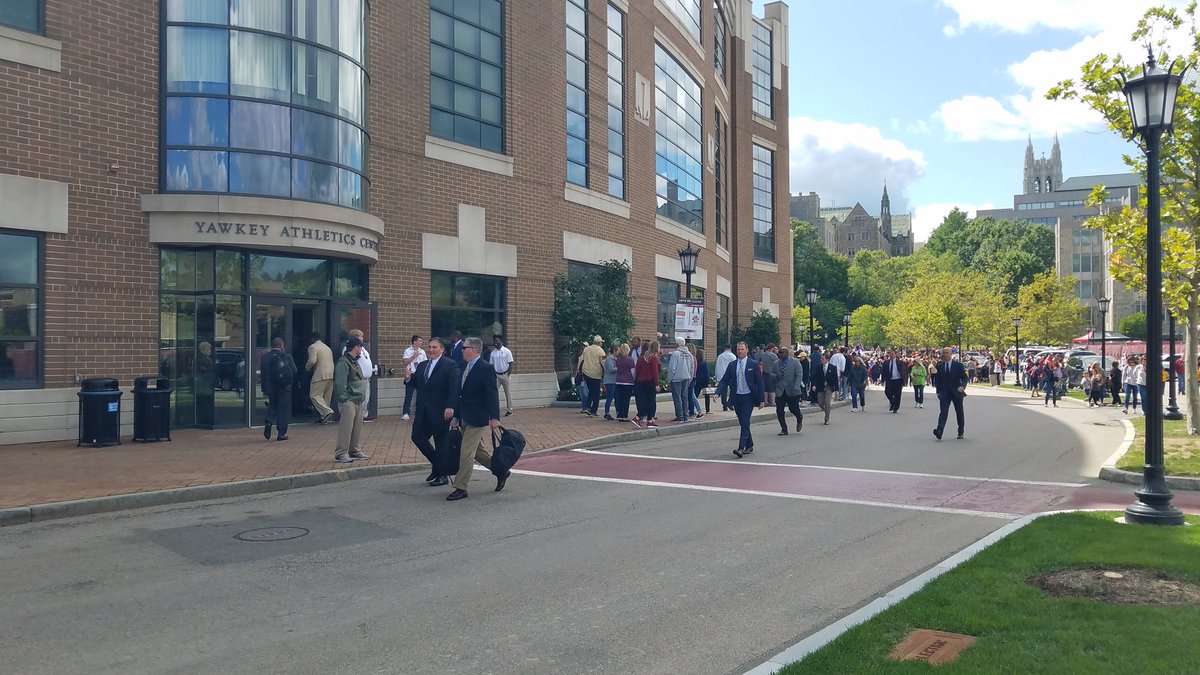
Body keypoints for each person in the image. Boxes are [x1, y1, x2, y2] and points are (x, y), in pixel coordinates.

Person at [446, 337, 504, 501]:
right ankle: (501, 471)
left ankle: (460, 487)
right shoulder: (464, 366)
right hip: (464, 415)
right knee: (478, 452)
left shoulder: (486, 368)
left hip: (478, 417)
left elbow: (492, 394)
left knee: (466, 452)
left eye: (464, 348)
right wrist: (456, 416)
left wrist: (494, 417)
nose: (462, 350)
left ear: (474, 350)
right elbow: (460, 394)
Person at [405, 337, 459, 486]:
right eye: (429, 347)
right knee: (417, 438)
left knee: (441, 443)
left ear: (442, 349)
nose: (431, 350)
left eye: (435, 347)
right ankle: (438, 466)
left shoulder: (450, 365)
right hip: (423, 411)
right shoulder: (422, 365)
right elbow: (416, 383)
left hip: (441, 412)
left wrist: (451, 407)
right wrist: (409, 378)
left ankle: (442, 475)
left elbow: (454, 388)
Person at [716, 341, 764, 457]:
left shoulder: (753, 364)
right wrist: (717, 393)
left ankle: (741, 448)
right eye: (738, 349)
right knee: (743, 422)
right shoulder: (732, 365)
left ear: (747, 350)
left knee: (745, 421)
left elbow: (760, 383)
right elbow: (725, 380)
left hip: (749, 397)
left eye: (742, 349)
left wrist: (761, 400)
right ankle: (749, 444)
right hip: (736, 397)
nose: (740, 351)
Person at [332, 337, 370, 463]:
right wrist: (345, 399)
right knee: (346, 427)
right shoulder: (343, 362)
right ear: (356, 348)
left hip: (357, 399)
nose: (361, 349)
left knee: (357, 427)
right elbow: (340, 383)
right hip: (349, 400)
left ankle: (354, 449)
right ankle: (341, 452)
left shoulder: (353, 361)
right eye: (360, 347)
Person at [260, 337, 296, 441]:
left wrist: (264, 389)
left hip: (271, 387)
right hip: (284, 387)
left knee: (273, 405)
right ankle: (281, 433)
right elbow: (294, 370)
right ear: (281, 346)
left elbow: (263, 375)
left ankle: (268, 421)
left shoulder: (265, 357)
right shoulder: (286, 356)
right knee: (282, 409)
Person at [931, 347, 968, 441]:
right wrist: (938, 392)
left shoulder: (958, 365)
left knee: (959, 412)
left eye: (947, 353)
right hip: (944, 393)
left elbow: (964, 377)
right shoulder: (940, 366)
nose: (945, 354)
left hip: (956, 392)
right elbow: (938, 380)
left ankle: (961, 431)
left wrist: (962, 386)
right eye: (944, 353)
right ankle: (939, 431)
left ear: (951, 354)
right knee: (943, 411)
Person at [305, 332, 335, 424]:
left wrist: (307, 368)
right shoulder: (327, 348)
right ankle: (324, 417)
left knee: (314, 395)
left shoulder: (313, 347)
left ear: (312, 339)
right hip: (330, 374)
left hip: (320, 374)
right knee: (326, 396)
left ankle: (327, 411)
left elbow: (312, 360)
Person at [775, 347, 805, 434]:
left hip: (792, 390)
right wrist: (776, 376)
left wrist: (796, 387)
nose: (779, 354)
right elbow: (771, 375)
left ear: (786, 354)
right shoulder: (776, 363)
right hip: (780, 390)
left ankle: (799, 417)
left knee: (793, 409)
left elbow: (799, 375)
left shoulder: (795, 362)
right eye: (779, 353)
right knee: (779, 410)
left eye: (781, 353)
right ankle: (784, 429)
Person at [346, 329, 374, 421]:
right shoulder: (351, 349)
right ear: (356, 337)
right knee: (360, 399)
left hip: (366, 379)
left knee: (365, 399)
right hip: (358, 379)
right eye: (361, 337)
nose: (363, 338)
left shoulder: (363, 349)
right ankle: (358, 417)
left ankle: (363, 416)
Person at [632, 340, 661, 428]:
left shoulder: (642, 357)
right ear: (656, 348)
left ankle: (649, 420)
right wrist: (656, 384)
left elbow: (637, 369)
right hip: (650, 381)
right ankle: (641, 418)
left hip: (641, 381)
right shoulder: (654, 358)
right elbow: (655, 371)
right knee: (651, 401)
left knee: (645, 401)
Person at [401, 335, 428, 421]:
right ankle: (405, 413)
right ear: (414, 342)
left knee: (421, 394)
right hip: (411, 374)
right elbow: (405, 362)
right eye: (419, 341)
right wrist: (414, 356)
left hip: (420, 374)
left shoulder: (422, 352)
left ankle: (419, 412)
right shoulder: (408, 351)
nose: (421, 342)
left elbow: (425, 363)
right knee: (409, 394)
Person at [667, 337, 694, 422]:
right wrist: (690, 378)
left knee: (677, 398)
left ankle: (680, 416)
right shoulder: (689, 354)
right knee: (684, 398)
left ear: (677, 344)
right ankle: (685, 416)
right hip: (686, 378)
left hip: (676, 379)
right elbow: (692, 368)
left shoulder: (676, 354)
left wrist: (669, 379)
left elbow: (672, 368)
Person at [490, 334, 515, 417]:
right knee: (493, 393)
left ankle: (510, 410)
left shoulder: (507, 351)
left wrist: (508, 374)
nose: (495, 343)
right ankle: (494, 410)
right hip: (497, 375)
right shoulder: (493, 353)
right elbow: (491, 365)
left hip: (505, 374)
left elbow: (511, 363)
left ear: (501, 341)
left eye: (496, 341)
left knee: (507, 393)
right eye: (494, 341)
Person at [581, 335, 606, 417]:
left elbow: (583, 359)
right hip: (596, 374)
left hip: (586, 372)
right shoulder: (600, 351)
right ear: (599, 343)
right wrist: (604, 372)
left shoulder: (586, 349)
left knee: (591, 390)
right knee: (596, 393)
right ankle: (593, 410)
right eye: (601, 342)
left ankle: (588, 407)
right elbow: (602, 363)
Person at [810, 353, 839, 425]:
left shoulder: (833, 368)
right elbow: (814, 377)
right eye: (821, 358)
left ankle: (827, 419)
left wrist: (836, 390)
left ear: (827, 359)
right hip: (820, 386)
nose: (821, 360)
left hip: (829, 387)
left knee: (827, 402)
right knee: (820, 403)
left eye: (823, 359)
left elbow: (835, 379)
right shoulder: (818, 367)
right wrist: (813, 385)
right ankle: (827, 410)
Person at [614, 343, 636, 422]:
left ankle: (619, 414)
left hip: (619, 381)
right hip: (628, 382)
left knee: (619, 398)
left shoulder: (618, 360)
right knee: (626, 399)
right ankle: (624, 415)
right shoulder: (630, 360)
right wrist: (634, 379)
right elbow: (633, 372)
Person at [881, 349, 908, 413]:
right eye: (890, 354)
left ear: (896, 355)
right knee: (887, 392)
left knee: (897, 394)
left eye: (892, 354)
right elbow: (883, 372)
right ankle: (893, 402)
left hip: (898, 380)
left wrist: (905, 381)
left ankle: (896, 408)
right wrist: (882, 380)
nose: (891, 355)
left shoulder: (900, 362)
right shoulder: (886, 362)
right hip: (889, 380)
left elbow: (904, 372)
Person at [714, 344, 736, 411]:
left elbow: (717, 367)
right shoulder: (733, 356)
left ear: (724, 348)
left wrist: (716, 377)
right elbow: (735, 366)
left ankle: (724, 405)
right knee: (733, 390)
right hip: (731, 376)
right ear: (730, 348)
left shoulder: (720, 356)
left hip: (722, 375)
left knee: (723, 391)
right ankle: (729, 402)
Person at [602, 344, 619, 420]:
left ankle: (618, 411)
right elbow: (611, 370)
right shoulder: (609, 359)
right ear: (614, 351)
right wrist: (619, 367)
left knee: (616, 397)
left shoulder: (615, 359)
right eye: (618, 350)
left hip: (614, 380)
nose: (619, 352)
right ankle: (607, 413)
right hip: (610, 381)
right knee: (610, 397)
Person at [691, 346, 709, 418]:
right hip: (704, 380)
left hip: (697, 380)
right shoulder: (704, 363)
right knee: (706, 395)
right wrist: (708, 382)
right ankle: (708, 409)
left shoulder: (696, 362)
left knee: (695, 395)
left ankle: (694, 408)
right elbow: (707, 373)